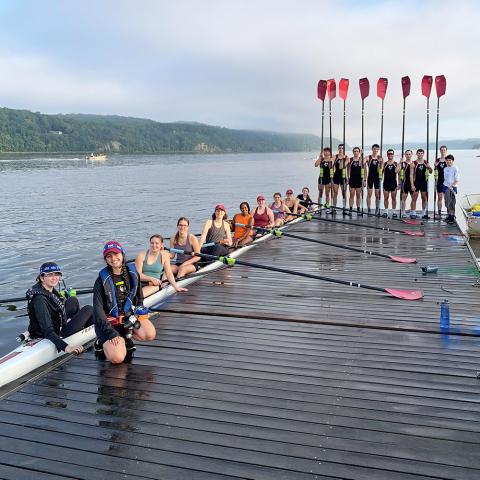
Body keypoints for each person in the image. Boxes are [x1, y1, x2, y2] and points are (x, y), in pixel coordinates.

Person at [93, 240, 156, 363]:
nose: (113, 258)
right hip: (108, 323)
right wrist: (110, 333)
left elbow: (140, 299)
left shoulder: (133, 273)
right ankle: (101, 342)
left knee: (150, 334)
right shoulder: (100, 281)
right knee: (118, 358)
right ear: (105, 259)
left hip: (127, 318)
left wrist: (140, 314)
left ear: (122, 254)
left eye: (116, 254)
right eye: (109, 256)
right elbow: (97, 311)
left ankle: (125, 337)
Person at [26, 262, 93, 355]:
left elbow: (57, 306)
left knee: (72, 300)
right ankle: (93, 336)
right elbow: (48, 331)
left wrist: (63, 298)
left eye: (57, 274)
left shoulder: (47, 289)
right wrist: (68, 348)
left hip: (57, 324)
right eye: (50, 275)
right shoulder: (39, 300)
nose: (54, 278)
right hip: (53, 334)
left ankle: (80, 329)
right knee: (89, 309)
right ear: (42, 278)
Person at [411, 148, 433, 219]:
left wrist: (429, 167)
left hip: (424, 182)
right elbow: (411, 175)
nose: (420, 154)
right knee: (414, 198)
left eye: (421, 153)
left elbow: (431, 171)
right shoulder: (413, 163)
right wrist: (412, 184)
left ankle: (424, 213)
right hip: (416, 182)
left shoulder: (426, 162)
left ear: (423, 154)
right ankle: (413, 213)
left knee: (424, 198)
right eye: (419, 153)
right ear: (417, 154)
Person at [382, 149, 400, 218]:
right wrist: (381, 163)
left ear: (393, 155)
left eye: (391, 154)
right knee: (386, 198)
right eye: (389, 154)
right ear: (387, 155)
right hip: (386, 183)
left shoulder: (396, 164)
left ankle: (393, 212)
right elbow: (380, 171)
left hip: (393, 183)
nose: (390, 155)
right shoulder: (385, 164)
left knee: (393, 198)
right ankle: (386, 211)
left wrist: (399, 184)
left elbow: (398, 174)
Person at [366, 144, 383, 214]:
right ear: (372, 149)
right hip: (370, 178)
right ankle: (369, 209)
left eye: (377, 149)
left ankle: (377, 209)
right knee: (369, 194)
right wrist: (361, 155)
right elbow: (361, 164)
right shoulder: (368, 158)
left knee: (377, 195)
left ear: (378, 150)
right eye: (374, 149)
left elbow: (380, 170)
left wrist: (379, 162)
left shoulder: (380, 158)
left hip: (377, 178)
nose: (375, 150)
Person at [442, 154, 459, 224]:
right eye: (447, 160)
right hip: (445, 186)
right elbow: (445, 178)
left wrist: (452, 186)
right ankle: (449, 215)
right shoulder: (445, 168)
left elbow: (457, 179)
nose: (449, 162)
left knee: (452, 203)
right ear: (446, 161)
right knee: (447, 202)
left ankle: (452, 216)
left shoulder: (455, 168)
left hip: (452, 187)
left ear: (453, 161)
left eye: (450, 160)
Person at [332, 144, 349, 214]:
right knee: (335, 193)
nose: (341, 149)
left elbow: (342, 167)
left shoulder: (347, 157)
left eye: (342, 148)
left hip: (343, 177)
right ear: (338, 149)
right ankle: (334, 208)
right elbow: (331, 165)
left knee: (344, 193)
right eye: (339, 148)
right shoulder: (334, 156)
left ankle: (344, 208)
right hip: (336, 176)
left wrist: (347, 177)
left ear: (344, 149)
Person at [347, 147, 363, 214]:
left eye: (357, 151)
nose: (356, 152)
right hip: (352, 179)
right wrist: (347, 178)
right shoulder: (350, 160)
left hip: (359, 179)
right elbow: (348, 170)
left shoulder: (361, 160)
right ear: (353, 152)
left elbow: (362, 167)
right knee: (351, 195)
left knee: (358, 195)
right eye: (355, 151)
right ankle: (350, 209)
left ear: (359, 152)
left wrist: (362, 155)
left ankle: (358, 209)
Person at [399, 149, 415, 218]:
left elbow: (414, 174)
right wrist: (400, 163)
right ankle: (403, 212)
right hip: (405, 183)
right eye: (407, 154)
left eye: (409, 154)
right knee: (404, 199)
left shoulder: (414, 163)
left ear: (411, 155)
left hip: (412, 183)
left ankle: (412, 212)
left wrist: (413, 185)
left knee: (413, 198)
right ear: (405, 155)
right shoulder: (403, 163)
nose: (408, 155)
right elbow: (396, 171)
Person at [435, 145, 448, 218]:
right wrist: (435, 166)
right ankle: (439, 213)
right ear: (440, 151)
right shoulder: (437, 160)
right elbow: (435, 170)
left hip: (447, 182)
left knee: (447, 198)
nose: (443, 151)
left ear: (446, 151)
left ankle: (449, 213)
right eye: (442, 150)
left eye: (444, 150)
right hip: (439, 181)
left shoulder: (448, 159)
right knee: (439, 198)